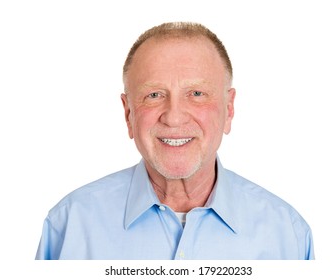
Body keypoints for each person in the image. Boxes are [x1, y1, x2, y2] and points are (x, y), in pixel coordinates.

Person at [35, 22, 314, 260]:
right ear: (128, 113)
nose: (174, 117)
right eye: (154, 95)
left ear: (229, 109)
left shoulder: (288, 234)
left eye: (196, 93)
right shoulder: (68, 225)